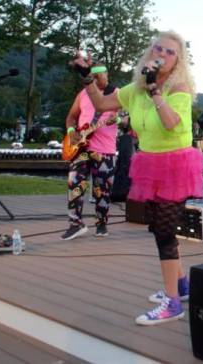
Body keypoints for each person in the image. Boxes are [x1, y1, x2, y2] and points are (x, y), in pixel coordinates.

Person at [71, 31, 203, 325]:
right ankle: (181, 286)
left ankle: (172, 304)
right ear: (150, 52)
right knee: (159, 225)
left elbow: (171, 124)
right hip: (150, 161)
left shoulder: (178, 87)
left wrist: (156, 90)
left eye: (170, 52)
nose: (162, 54)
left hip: (175, 164)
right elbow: (104, 104)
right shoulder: (136, 88)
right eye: (158, 48)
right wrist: (86, 78)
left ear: (178, 60)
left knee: (165, 233)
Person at [62, 64, 118, 240]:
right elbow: (71, 117)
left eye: (104, 75)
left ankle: (101, 223)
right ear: (91, 78)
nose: (103, 79)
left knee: (102, 189)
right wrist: (72, 133)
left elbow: (127, 120)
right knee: (75, 182)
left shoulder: (117, 93)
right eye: (98, 76)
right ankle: (75, 224)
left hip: (105, 151)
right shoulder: (83, 94)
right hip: (82, 148)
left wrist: (122, 122)